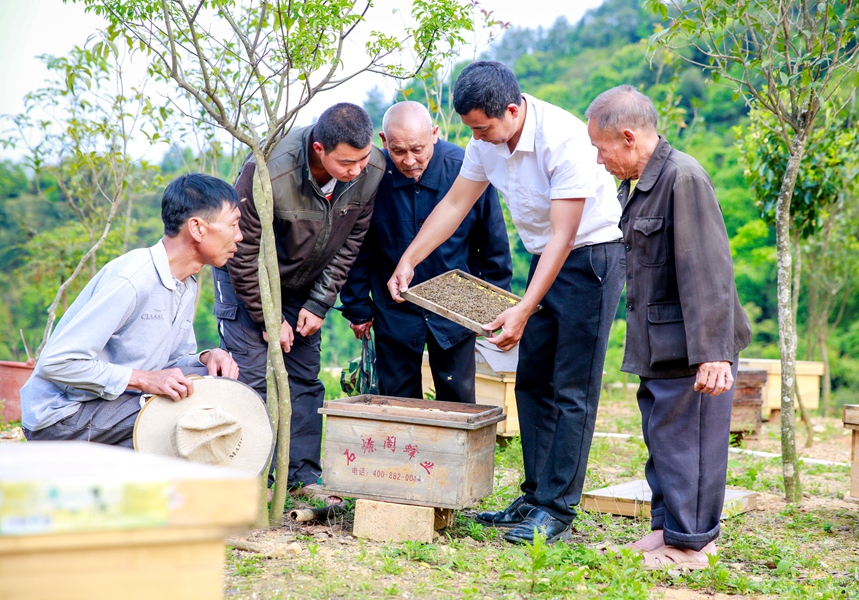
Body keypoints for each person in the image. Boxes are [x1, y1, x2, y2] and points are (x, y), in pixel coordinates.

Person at [388, 61, 625, 544]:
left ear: (512, 110)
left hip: (591, 260)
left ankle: (558, 509)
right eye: (472, 129)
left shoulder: (563, 140)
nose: (478, 138)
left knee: (572, 388)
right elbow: (454, 205)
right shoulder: (486, 142)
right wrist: (409, 259)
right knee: (532, 381)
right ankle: (535, 494)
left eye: (483, 127)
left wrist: (522, 307)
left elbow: (565, 237)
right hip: (546, 259)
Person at [585, 85, 752, 569]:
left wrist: (714, 352)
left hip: (693, 343)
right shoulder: (643, 182)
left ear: (629, 137)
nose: (600, 160)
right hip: (659, 341)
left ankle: (693, 544)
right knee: (664, 440)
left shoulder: (684, 178)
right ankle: (667, 529)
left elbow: (708, 270)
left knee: (692, 443)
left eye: (602, 149)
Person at [213, 103, 386, 503]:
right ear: (319, 148)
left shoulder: (370, 167)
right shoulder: (271, 170)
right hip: (250, 277)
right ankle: (241, 482)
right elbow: (243, 253)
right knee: (252, 377)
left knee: (305, 378)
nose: (356, 171)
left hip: (307, 283)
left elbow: (351, 242)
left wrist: (320, 302)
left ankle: (300, 478)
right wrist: (269, 317)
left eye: (362, 160)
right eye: (346, 162)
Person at [20, 173, 242, 446]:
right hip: (64, 416)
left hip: (113, 406)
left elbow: (170, 366)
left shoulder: (185, 282)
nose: (240, 236)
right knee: (189, 407)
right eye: (234, 224)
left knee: (212, 383)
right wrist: (144, 380)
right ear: (197, 228)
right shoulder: (134, 279)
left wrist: (207, 358)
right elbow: (58, 362)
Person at [340, 101, 512, 403]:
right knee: (398, 400)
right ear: (383, 142)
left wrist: (496, 307)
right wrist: (357, 307)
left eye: (418, 149)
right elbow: (356, 247)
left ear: (434, 133)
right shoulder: (370, 177)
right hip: (394, 307)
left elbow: (493, 244)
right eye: (398, 151)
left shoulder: (466, 168)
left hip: (456, 305)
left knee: (458, 398)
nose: (409, 161)